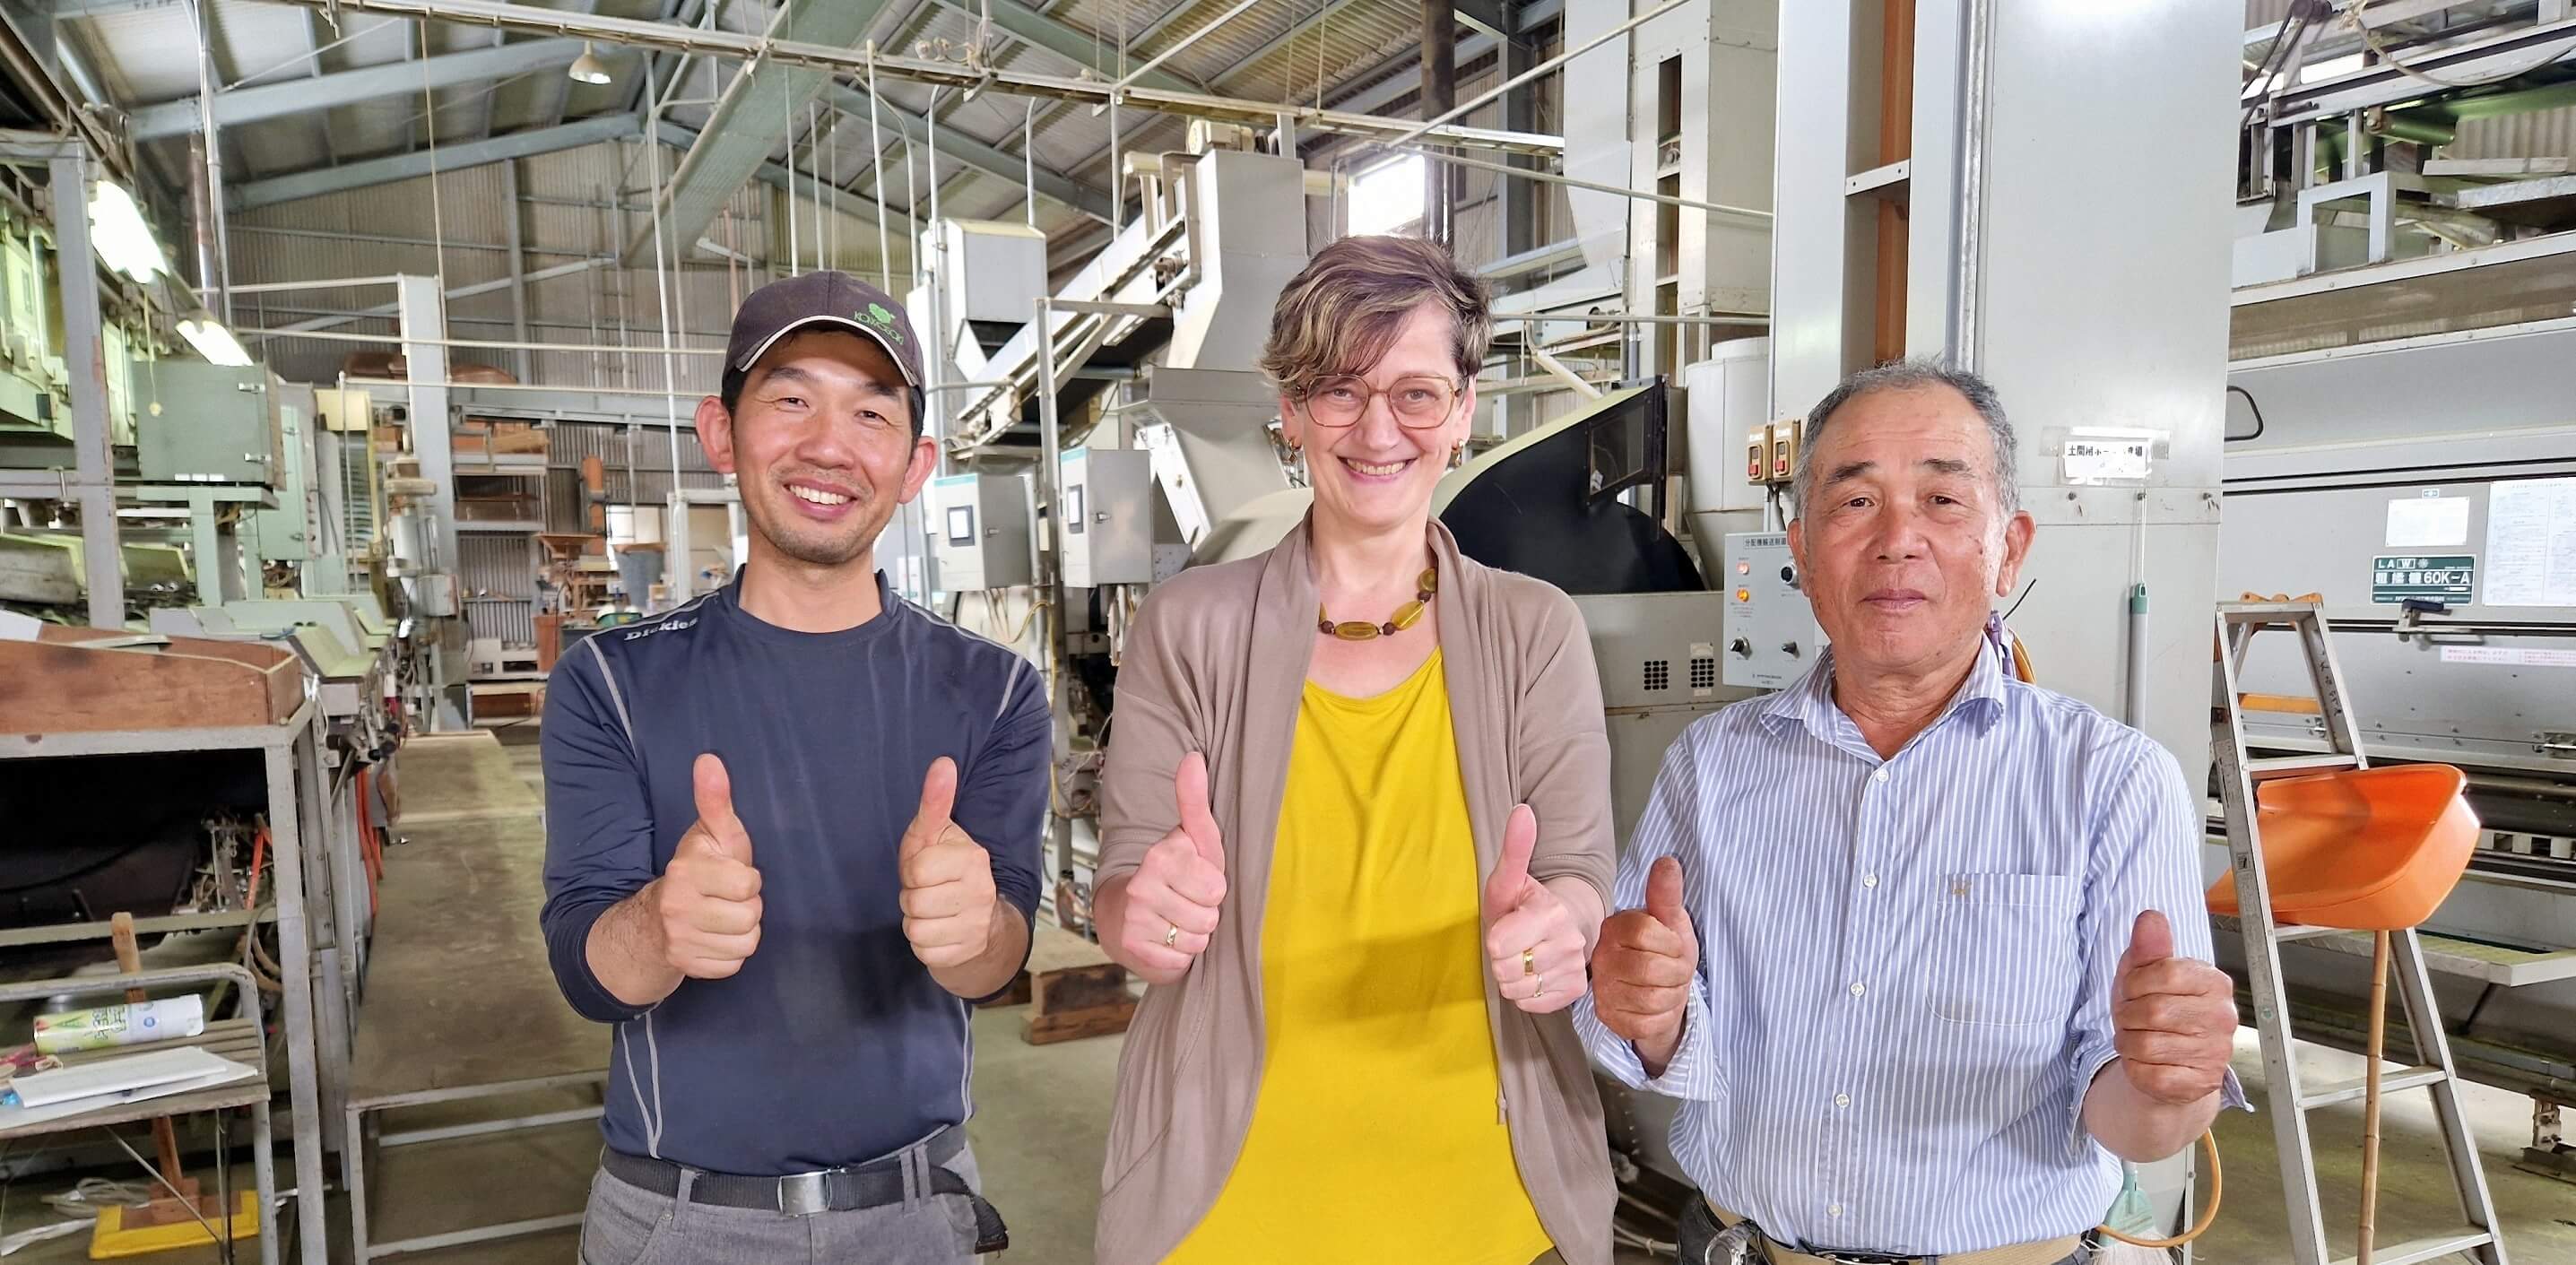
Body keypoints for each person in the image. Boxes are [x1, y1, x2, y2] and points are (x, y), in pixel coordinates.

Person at [1580, 362, 2246, 1265]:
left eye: (1941, 499)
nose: (1897, 540)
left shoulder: (2113, 782)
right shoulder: (1712, 765)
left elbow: (2133, 1116)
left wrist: (2170, 1084)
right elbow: (1648, 1030)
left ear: (2007, 548)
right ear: (1802, 552)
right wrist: (1644, 1011)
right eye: (1854, 505)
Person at [1089, 235, 1618, 1265]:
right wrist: (1140, 919)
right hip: (1232, 1207)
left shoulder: (1534, 628)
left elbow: (1578, 870)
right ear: (1288, 413)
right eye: (1337, 390)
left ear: (1462, 412)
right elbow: (1125, 888)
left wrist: (1567, 927)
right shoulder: (1188, 624)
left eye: (1416, 393)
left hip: (1485, 1203)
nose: (1377, 428)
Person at [539, 271, 1048, 1263]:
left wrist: (975, 928)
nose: (827, 444)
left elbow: (999, 959)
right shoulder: (611, 681)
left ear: (914, 465)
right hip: (679, 1222)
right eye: (788, 398)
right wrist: (660, 925)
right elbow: (585, 969)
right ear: (720, 433)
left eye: (870, 412)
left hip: (918, 1213)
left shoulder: (992, 691)